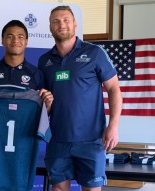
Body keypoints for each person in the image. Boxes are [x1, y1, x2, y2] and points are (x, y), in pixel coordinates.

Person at [38, 6, 123, 191]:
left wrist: (113, 126)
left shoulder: (95, 53)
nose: (61, 24)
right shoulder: (45, 61)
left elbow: (114, 88)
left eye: (66, 20)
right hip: (58, 139)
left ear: (75, 24)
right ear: (50, 27)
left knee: (91, 189)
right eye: (56, 21)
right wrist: (47, 104)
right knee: (59, 189)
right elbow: (45, 104)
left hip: (91, 140)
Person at [0, 20, 53, 191]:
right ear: (2, 40)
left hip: (23, 147)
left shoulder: (36, 75)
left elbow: (44, 112)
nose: (15, 40)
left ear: (26, 41)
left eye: (20, 36)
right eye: (10, 36)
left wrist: (48, 104)